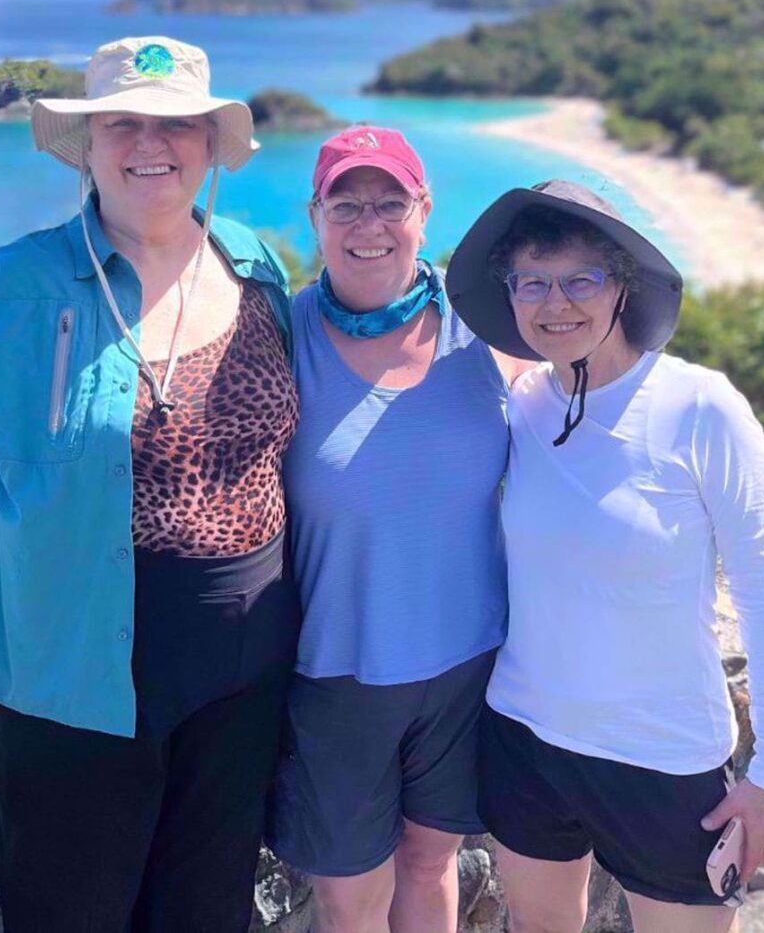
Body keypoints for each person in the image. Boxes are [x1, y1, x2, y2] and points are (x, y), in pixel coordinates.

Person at [0, 36, 301, 932]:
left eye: (176, 123)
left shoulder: (254, 267)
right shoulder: (14, 293)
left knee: (207, 913)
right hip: (68, 676)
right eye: (124, 123)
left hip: (243, 679)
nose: (152, 142)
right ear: (89, 144)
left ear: (207, 143)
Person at [445, 180, 764, 933]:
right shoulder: (521, 407)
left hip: (664, 755)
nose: (556, 303)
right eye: (532, 283)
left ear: (622, 287)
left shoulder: (701, 409)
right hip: (525, 738)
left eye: (582, 279)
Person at [269, 125, 523, 933]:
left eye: (390, 202)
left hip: (466, 661)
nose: (368, 224)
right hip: (336, 669)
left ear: (425, 211)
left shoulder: (485, 324)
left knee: (431, 862)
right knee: (349, 895)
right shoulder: (279, 334)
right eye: (346, 204)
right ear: (315, 215)